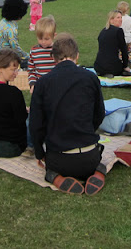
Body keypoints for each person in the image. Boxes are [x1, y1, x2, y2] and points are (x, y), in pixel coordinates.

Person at [29, 34, 107, 196]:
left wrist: (39, 152)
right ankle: (98, 171)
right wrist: (86, 130)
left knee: (50, 169)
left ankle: (54, 177)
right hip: (90, 157)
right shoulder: (90, 78)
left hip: (59, 159)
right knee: (99, 161)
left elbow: (36, 124)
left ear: (53, 57)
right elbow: (99, 113)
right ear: (77, 56)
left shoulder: (42, 83)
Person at [93, 10, 131, 78]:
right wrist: (125, 66)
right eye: (118, 18)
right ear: (111, 20)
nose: (120, 20)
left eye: (121, 17)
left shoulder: (103, 31)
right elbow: (124, 50)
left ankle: (105, 73)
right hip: (112, 66)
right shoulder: (118, 31)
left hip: (98, 66)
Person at [0, 0, 29, 65]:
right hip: (5, 59)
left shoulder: (3, 22)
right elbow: (15, 48)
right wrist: (27, 55)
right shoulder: (10, 29)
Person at [28, 16, 57, 93]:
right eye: (40, 39)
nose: (43, 42)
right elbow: (31, 70)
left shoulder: (58, 50)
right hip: (40, 87)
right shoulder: (34, 51)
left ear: (54, 36)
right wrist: (32, 84)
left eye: (46, 39)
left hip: (56, 87)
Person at [117, 1, 131, 69]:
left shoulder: (118, 18)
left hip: (120, 38)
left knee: (120, 51)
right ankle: (130, 63)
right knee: (129, 51)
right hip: (128, 38)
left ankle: (120, 62)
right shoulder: (130, 19)